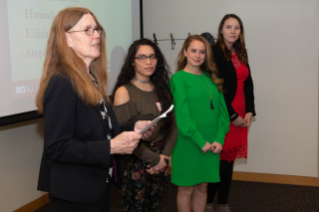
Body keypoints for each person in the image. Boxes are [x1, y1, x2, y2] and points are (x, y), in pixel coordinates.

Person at [35, 7, 154, 212]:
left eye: (97, 29)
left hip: (96, 186)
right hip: (75, 195)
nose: (97, 34)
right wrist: (110, 147)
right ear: (67, 40)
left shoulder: (91, 79)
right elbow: (57, 147)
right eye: (87, 30)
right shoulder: (62, 82)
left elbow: (101, 129)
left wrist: (134, 128)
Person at [112, 38, 177, 212]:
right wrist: (154, 159)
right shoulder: (123, 92)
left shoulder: (162, 88)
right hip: (138, 162)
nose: (148, 62)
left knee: (154, 207)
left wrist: (164, 157)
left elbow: (173, 126)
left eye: (152, 57)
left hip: (162, 160)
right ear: (132, 62)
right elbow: (120, 137)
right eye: (142, 57)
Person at [170, 35, 230, 212]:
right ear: (185, 52)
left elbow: (223, 114)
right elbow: (182, 117)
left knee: (203, 187)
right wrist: (200, 141)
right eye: (194, 50)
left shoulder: (212, 78)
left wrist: (219, 138)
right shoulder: (178, 79)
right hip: (189, 143)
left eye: (202, 52)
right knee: (186, 189)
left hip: (212, 144)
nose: (198, 55)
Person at [206, 14, 256, 212]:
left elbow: (249, 83)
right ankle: (208, 201)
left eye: (237, 27)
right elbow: (217, 87)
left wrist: (250, 110)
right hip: (225, 112)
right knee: (220, 162)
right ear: (221, 30)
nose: (233, 31)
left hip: (242, 112)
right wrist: (233, 116)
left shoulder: (240, 51)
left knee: (229, 161)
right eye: (229, 27)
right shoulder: (215, 51)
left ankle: (223, 202)